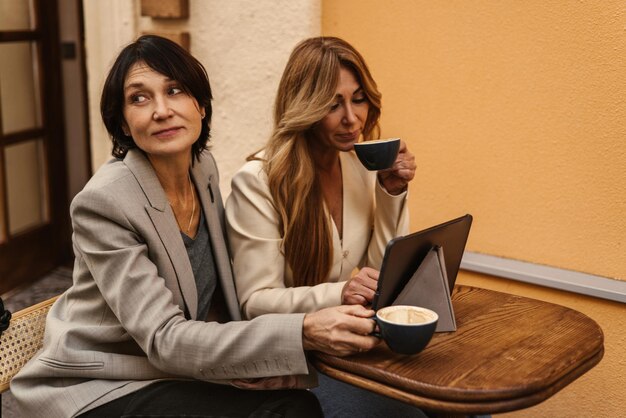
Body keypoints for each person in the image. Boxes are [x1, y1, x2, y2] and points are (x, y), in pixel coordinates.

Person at [10, 35, 380, 418]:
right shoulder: (103, 203)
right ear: (122, 121)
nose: (161, 110)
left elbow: (216, 295)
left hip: (171, 370)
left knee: (295, 402)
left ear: (200, 106)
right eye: (139, 98)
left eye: (175, 91)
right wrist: (300, 332)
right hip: (101, 382)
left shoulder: (202, 169)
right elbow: (163, 338)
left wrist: (267, 361)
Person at [225, 37, 422, 417]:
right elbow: (257, 302)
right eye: (333, 104)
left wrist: (391, 192)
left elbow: (382, 277)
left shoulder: (361, 166)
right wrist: (341, 292)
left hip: (354, 349)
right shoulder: (259, 181)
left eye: (358, 98)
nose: (351, 118)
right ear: (304, 106)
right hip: (298, 362)